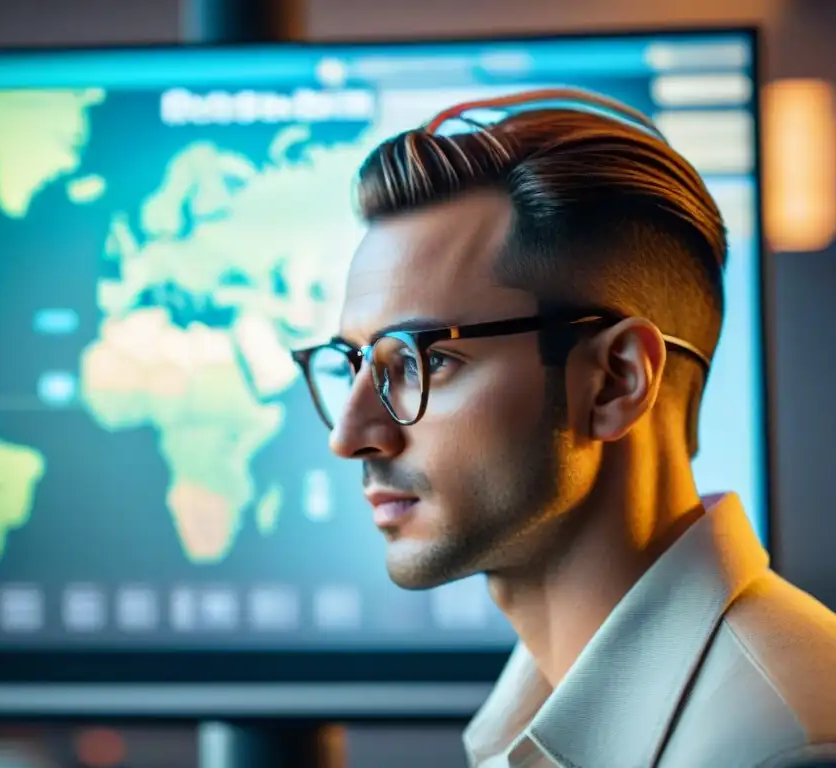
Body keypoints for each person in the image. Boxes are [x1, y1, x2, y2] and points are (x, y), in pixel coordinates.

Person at [291, 88, 836, 768]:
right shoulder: (533, 716)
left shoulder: (783, 747)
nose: (351, 436)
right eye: (354, 364)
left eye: (424, 361)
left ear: (615, 381)